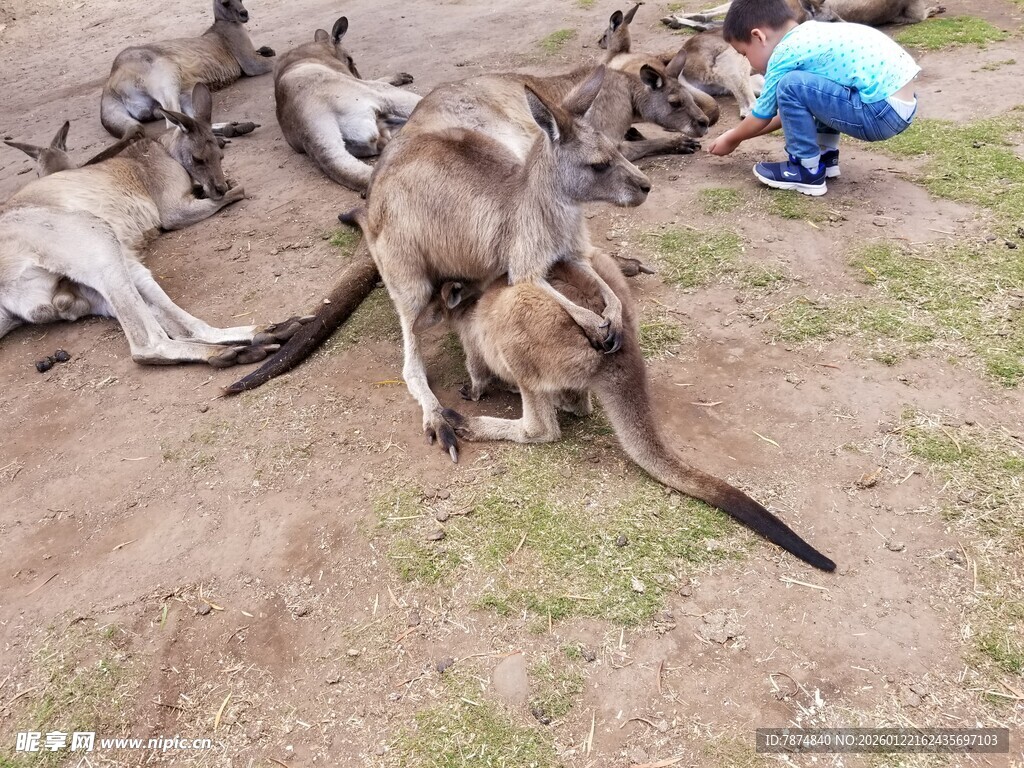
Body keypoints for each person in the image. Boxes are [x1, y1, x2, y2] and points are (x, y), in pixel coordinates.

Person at [707, 0, 921, 196]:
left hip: (878, 112)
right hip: (899, 106)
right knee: (816, 85)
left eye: (745, 53)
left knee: (790, 84)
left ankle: (805, 169)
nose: (749, 63)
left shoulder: (785, 53)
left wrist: (733, 138)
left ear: (758, 37)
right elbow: (787, 115)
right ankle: (825, 155)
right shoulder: (812, 34)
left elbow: (762, 116)